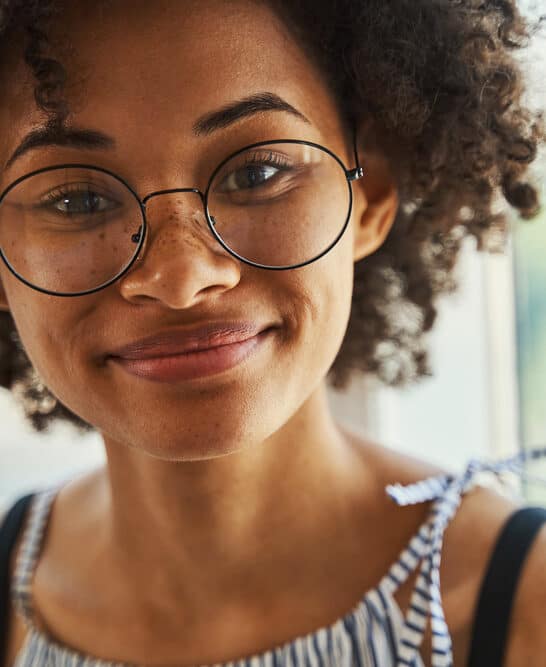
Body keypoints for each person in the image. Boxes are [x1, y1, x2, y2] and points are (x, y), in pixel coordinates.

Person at [0, 1, 545, 666]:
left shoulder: (523, 608)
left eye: (255, 173)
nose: (180, 277)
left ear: (367, 195)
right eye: (77, 201)